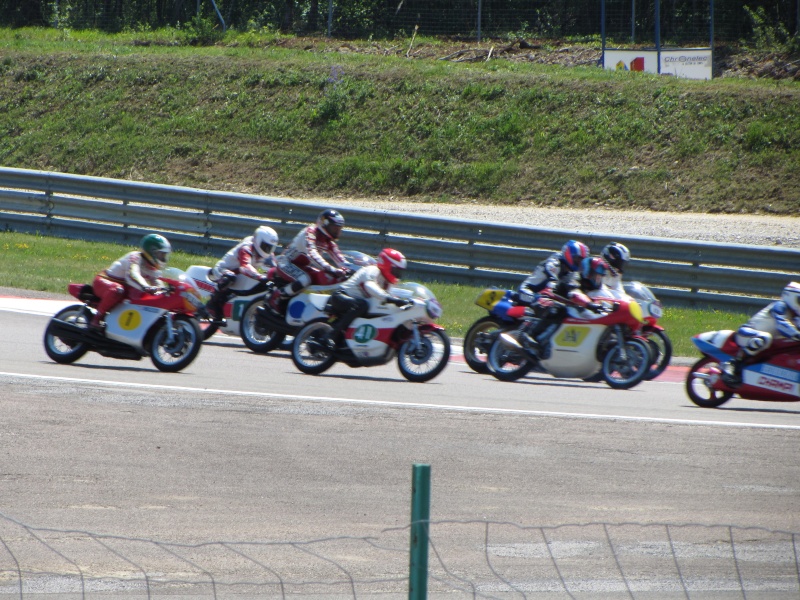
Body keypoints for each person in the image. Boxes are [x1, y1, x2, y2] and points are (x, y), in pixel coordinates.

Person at [519, 254, 608, 359]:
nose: (597, 279)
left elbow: (603, 296)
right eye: (596, 276)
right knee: (558, 309)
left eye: (599, 277)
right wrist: (590, 305)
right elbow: (574, 294)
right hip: (546, 299)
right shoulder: (574, 277)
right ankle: (531, 336)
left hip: (566, 306)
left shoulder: (589, 287)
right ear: (589, 271)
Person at [323, 248, 411, 348]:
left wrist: (406, 300)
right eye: (395, 270)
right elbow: (370, 286)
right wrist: (388, 298)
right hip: (341, 296)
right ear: (386, 265)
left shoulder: (387, 282)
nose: (397, 274)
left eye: (399, 272)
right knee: (361, 305)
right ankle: (332, 335)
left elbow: (393, 294)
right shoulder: (373, 270)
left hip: (353, 301)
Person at [267, 209, 351, 313]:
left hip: (301, 266)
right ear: (324, 224)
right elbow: (312, 254)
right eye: (335, 228)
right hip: (285, 263)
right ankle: (276, 297)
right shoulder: (311, 232)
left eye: (339, 228)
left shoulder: (328, 240)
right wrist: (331, 269)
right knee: (304, 279)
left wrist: (351, 269)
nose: (337, 231)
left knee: (321, 277)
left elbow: (340, 258)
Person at [721, 281, 800, 387]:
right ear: (791, 296)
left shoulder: (795, 315)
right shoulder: (780, 306)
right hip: (747, 333)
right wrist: (796, 334)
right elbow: (782, 324)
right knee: (764, 337)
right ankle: (734, 364)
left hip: (764, 341)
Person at [90, 233, 172, 331]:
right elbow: (133, 275)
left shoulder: (153, 267)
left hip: (126, 288)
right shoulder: (135, 257)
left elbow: (157, 280)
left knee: (142, 298)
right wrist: (146, 287)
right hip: (104, 281)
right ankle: (96, 319)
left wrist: (163, 291)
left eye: (164, 255)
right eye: (161, 254)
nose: (163, 258)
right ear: (152, 252)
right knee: (117, 290)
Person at [205, 225, 279, 324]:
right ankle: (212, 303)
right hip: (223, 270)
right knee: (230, 277)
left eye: (270, 248)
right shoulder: (246, 247)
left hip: (241, 276)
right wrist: (260, 277)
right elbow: (245, 267)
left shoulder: (268, 254)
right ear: (258, 241)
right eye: (266, 246)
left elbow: (274, 268)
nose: (268, 250)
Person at [516, 239, 590, 306]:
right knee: (544, 304)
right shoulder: (554, 262)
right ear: (568, 255)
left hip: (543, 295)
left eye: (582, 261)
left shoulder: (571, 271)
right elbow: (552, 283)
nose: (579, 263)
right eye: (577, 259)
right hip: (526, 292)